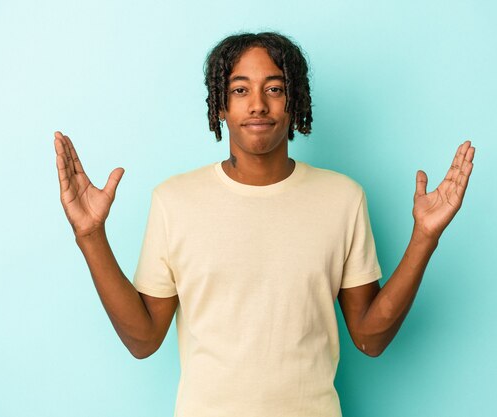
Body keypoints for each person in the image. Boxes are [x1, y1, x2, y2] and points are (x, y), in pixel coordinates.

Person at [54, 32, 475, 417]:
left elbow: (370, 337)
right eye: (240, 90)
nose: (258, 104)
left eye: (274, 88)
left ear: (296, 101)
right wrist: (90, 236)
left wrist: (424, 237)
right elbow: (143, 340)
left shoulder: (343, 198)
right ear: (221, 105)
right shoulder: (174, 201)